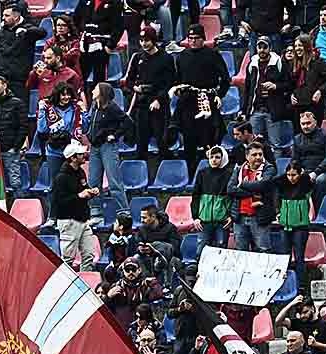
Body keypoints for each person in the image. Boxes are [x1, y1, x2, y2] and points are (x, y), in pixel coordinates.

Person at [169, 24, 230, 173]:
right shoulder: (182, 56)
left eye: (196, 38)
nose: (193, 41)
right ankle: (191, 174)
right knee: (189, 140)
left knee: (209, 138)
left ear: (203, 39)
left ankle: (213, 173)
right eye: (190, 38)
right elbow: (177, 79)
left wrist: (218, 95)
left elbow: (225, 79)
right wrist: (178, 89)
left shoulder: (213, 55)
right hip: (188, 102)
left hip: (207, 100)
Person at [125, 27, 176, 162]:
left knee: (161, 139)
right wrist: (135, 88)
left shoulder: (166, 58)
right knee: (141, 139)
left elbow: (169, 82)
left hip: (159, 103)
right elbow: (129, 80)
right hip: (141, 102)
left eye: (146, 40)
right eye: (141, 40)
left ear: (154, 40)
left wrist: (159, 99)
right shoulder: (137, 57)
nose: (143, 43)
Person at [85, 83, 133, 221]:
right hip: (94, 147)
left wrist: (115, 135)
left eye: (96, 89)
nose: (93, 90)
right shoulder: (94, 106)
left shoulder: (112, 107)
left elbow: (127, 122)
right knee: (93, 180)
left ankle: (124, 212)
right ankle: (95, 212)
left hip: (107, 147)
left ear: (102, 92)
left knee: (114, 181)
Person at [52, 141, 97, 270]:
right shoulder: (61, 178)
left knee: (89, 255)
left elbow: (84, 189)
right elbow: (59, 202)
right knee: (68, 259)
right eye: (80, 154)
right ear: (73, 158)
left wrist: (91, 191)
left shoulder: (81, 172)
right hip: (69, 221)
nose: (84, 155)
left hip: (83, 219)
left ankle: (88, 282)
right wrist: (79, 196)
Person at [228, 141, 277, 253]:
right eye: (254, 155)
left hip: (259, 217)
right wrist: (253, 192)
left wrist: (243, 185)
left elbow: (262, 185)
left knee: (263, 250)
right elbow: (230, 189)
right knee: (241, 251)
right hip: (240, 217)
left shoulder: (269, 169)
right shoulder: (239, 170)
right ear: (247, 156)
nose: (258, 157)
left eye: (260, 154)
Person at [191, 145, 233, 249]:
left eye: (217, 157)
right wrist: (195, 217)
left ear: (223, 158)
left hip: (222, 221)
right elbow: (195, 196)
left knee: (221, 248)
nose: (214, 160)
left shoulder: (229, 174)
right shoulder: (202, 173)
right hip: (204, 221)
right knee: (201, 248)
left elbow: (232, 198)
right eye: (212, 157)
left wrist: (231, 216)